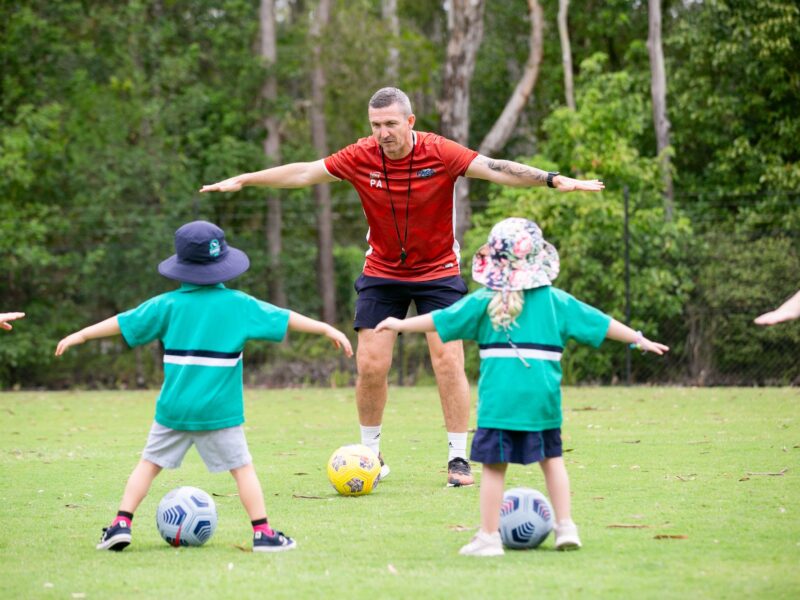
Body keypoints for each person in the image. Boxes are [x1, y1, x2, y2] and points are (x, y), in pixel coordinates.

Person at [200, 87, 605, 487]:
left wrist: (552, 180)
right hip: (382, 270)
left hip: (438, 270)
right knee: (370, 365)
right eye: (376, 125)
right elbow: (305, 171)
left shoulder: (440, 152)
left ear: (410, 122)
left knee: (448, 362)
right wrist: (247, 179)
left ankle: (457, 457)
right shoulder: (360, 155)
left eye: (391, 123)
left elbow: (495, 168)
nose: (383, 132)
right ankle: (369, 455)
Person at [375, 218, 669, 556]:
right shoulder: (556, 300)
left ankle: (488, 538)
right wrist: (638, 338)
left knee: (494, 470)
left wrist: (400, 323)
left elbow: (440, 319)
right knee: (552, 461)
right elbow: (600, 323)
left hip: (500, 402)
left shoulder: (484, 302)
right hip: (543, 400)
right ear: (537, 260)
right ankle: (565, 527)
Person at [55, 220, 353, 553]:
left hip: (174, 409)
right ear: (223, 265)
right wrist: (326, 329)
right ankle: (263, 533)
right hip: (219, 412)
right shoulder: (239, 305)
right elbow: (284, 317)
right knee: (242, 470)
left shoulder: (167, 305)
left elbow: (125, 320)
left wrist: (81, 334)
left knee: (148, 465)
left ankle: (120, 525)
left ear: (181, 266)